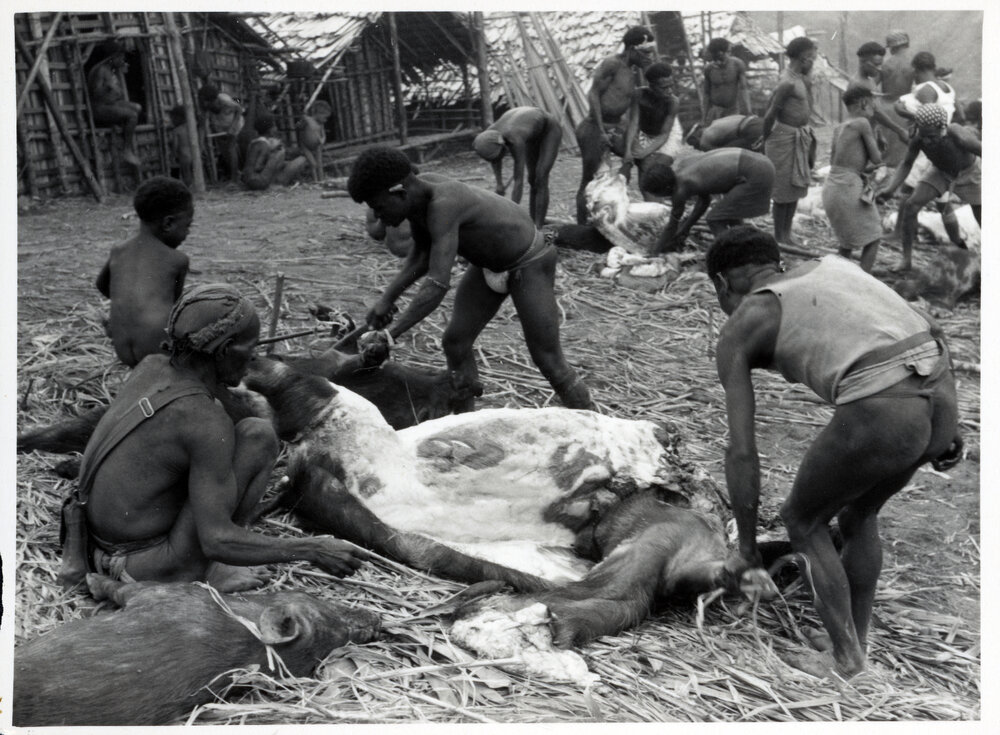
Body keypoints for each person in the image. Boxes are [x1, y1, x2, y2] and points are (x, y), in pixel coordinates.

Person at [708, 226, 960, 678]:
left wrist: (746, 548)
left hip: (886, 408)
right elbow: (932, 328)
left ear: (724, 284)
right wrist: (951, 424)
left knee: (802, 521)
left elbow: (741, 451)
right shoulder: (834, 265)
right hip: (938, 391)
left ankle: (846, 661)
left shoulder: (745, 319)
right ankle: (855, 643)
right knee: (859, 515)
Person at [77, 283, 365, 591]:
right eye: (250, 348)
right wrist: (312, 549)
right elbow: (216, 540)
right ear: (225, 349)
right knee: (256, 442)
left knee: (257, 434)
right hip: (143, 565)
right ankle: (203, 571)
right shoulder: (202, 419)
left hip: (89, 546)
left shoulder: (152, 366)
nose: (254, 356)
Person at [347, 146, 595, 412]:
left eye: (380, 208)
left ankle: (597, 430)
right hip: (488, 265)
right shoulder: (417, 197)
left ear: (399, 191)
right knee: (455, 343)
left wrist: (390, 334)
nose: (381, 220)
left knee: (548, 360)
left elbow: (437, 284)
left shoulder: (443, 204)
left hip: (530, 262)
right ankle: (465, 420)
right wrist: (387, 299)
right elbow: (420, 256)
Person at [96, 177, 193, 368]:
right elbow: (175, 310)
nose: (187, 233)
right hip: (159, 353)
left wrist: (126, 306)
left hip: (123, 350)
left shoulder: (118, 250)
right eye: (187, 226)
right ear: (168, 224)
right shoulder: (177, 260)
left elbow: (101, 285)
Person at [877, 103, 981, 272]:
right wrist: (890, 188)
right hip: (941, 172)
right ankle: (906, 260)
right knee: (911, 206)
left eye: (932, 136)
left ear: (942, 128)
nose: (928, 141)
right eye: (924, 136)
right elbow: (906, 163)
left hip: (970, 172)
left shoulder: (957, 134)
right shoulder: (919, 137)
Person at [575, 25, 658, 224]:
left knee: (644, 160)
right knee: (590, 179)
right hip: (594, 127)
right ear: (631, 50)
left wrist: (629, 150)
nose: (649, 57)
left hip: (616, 127)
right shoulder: (612, 64)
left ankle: (652, 213)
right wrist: (602, 131)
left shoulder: (634, 71)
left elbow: (632, 114)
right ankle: (582, 225)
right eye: (645, 52)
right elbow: (593, 94)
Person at [640, 149, 774, 252]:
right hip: (761, 162)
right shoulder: (685, 171)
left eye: (658, 194)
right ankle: (748, 248)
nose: (661, 197)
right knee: (730, 216)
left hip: (754, 172)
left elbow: (671, 226)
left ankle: (733, 256)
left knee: (714, 219)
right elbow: (704, 202)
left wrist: (656, 251)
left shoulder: (680, 190)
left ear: (666, 188)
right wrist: (685, 229)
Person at [821, 84, 885, 272]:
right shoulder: (862, 124)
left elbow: (841, 162)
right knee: (874, 237)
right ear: (864, 102)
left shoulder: (840, 127)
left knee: (846, 243)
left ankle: (843, 278)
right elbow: (877, 159)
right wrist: (878, 139)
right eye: (873, 101)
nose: (876, 105)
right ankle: (863, 280)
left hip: (833, 186)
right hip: (847, 186)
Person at [762, 37, 818, 248]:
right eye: (812, 57)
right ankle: (779, 236)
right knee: (783, 191)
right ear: (804, 58)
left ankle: (787, 233)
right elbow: (769, 115)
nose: (813, 61)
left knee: (795, 187)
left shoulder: (800, 79)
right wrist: (764, 141)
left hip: (798, 136)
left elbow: (808, 101)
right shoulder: (787, 81)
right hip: (783, 138)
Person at [473, 106, 562, 228]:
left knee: (540, 178)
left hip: (549, 129)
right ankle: (532, 221)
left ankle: (538, 227)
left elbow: (518, 181)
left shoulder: (515, 139)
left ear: (502, 146)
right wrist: (499, 184)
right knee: (532, 179)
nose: (498, 160)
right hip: (531, 130)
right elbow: (495, 159)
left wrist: (511, 216)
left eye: (499, 156)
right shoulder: (489, 135)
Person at [620, 61, 683, 199]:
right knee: (644, 175)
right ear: (652, 86)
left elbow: (664, 134)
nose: (670, 91)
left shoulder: (673, 102)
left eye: (671, 86)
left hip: (668, 133)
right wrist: (628, 151)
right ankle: (653, 206)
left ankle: (669, 197)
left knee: (654, 170)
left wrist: (643, 154)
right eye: (664, 88)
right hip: (645, 132)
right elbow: (634, 123)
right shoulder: (639, 95)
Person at [87, 39, 142, 167]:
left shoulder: (110, 69)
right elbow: (96, 94)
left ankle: (118, 124)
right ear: (114, 57)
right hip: (99, 108)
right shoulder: (101, 70)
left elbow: (115, 92)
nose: (123, 60)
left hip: (110, 104)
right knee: (132, 116)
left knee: (137, 108)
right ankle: (127, 150)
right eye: (121, 57)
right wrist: (110, 88)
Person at [853, 42, 909, 148]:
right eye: (876, 64)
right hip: (860, 137)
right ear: (863, 62)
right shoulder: (859, 84)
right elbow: (875, 113)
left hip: (869, 133)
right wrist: (900, 130)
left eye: (880, 65)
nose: (879, 68)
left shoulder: (869, 81)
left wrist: (878, 134)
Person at [242, 113, 308, 191]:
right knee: (281, 152)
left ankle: (274, 182)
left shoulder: (254, 142)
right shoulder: (264, 144)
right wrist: (274, 158)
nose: (276, 128)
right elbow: (257, 167)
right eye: (274, 126)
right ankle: (274, 184)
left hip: (249, 180)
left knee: (291, 161)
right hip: (258, 181)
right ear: (270, 129)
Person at [877, 30, 914, 168]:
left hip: (886, 107)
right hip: (905, 108)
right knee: (904, 148)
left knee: (887, 147)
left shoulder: (885, 65)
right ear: (906, 44)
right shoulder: (913, 64)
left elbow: (872, 86)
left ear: (892, 47)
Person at [198, 84, 245, 184]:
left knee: (231, 149)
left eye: (209, 103)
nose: (206, 105)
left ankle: (234, 179)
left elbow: (239, 109)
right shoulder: (204, 106)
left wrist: (233, 127)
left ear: (214, 100)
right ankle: (236, 174)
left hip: (234, 125)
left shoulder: (225, 100)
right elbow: (202, 127)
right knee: (225, 152)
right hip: (220, 127)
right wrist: (201, 144)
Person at [702, 38, 751, 123]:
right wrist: (704, 117)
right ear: (716, 53)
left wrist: (749, 111)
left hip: (733, 109)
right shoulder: (709, 69)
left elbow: (744, 89)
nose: (727, 55)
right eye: (717, 54)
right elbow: (706, 93)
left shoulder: (737, 64)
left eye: (727, 52)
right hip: (716, 111)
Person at [686, 114, 764, 152]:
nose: (694, 148)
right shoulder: (715, 123)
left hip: (752, 128)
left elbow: (718, 156)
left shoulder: (704, 139)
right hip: (759, 122)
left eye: (691, 143)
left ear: (695, 136)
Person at [298, 100, 332, 183]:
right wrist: (300, 123)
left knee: (320, 164)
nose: (325, 120)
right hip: (306, 146)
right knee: (313, 164)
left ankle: (321, 180)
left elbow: (323, 135)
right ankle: (315, 181)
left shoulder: (321, 124)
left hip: (317, 146)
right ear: (318, 114)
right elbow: (299, 127)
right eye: (325, 117)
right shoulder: (308, 120)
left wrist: (322, 140)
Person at [168, 105, 194, 187]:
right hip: (193, 154)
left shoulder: (176, 130)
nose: (172, 120)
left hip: (184, 156)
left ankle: (188, 187)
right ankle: (194, 186)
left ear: (178, 118)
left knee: (186, 173)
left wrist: (172, 156)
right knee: (193, 172)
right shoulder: (191, 128)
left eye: (172, 118)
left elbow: (175, 145)